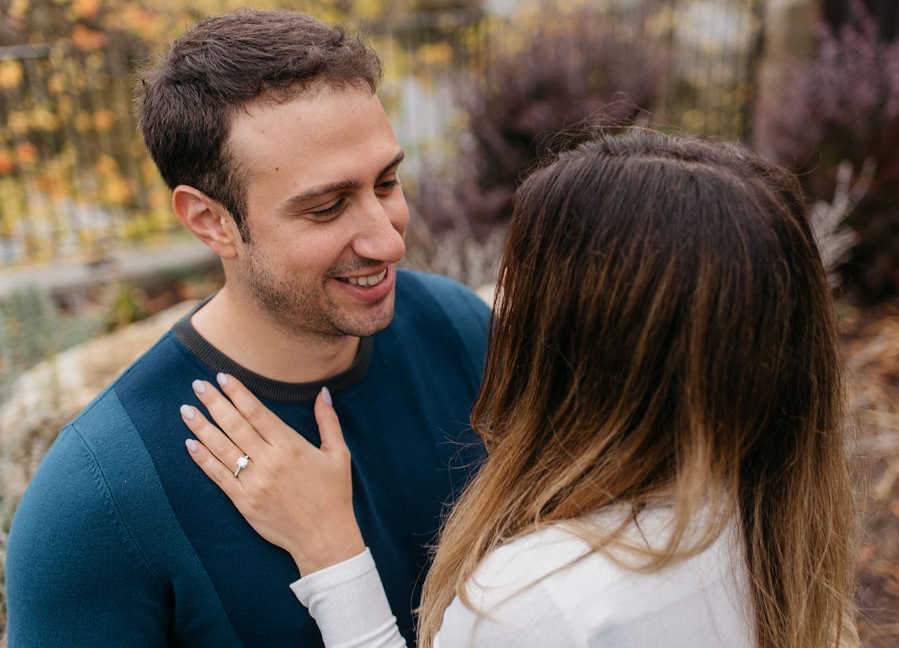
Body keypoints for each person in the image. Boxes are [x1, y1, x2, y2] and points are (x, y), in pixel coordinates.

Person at [180, 130, 856, 647]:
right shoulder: (765, 514)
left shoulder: (539, 600)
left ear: (581, 338)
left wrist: (332, 554)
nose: (389, 242)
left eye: (522, 285)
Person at [5, 9, 490, 646]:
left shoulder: (463, 332)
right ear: (209, 221)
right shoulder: (98, 498)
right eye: (326, 207)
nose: (387, 239)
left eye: (388, 181)